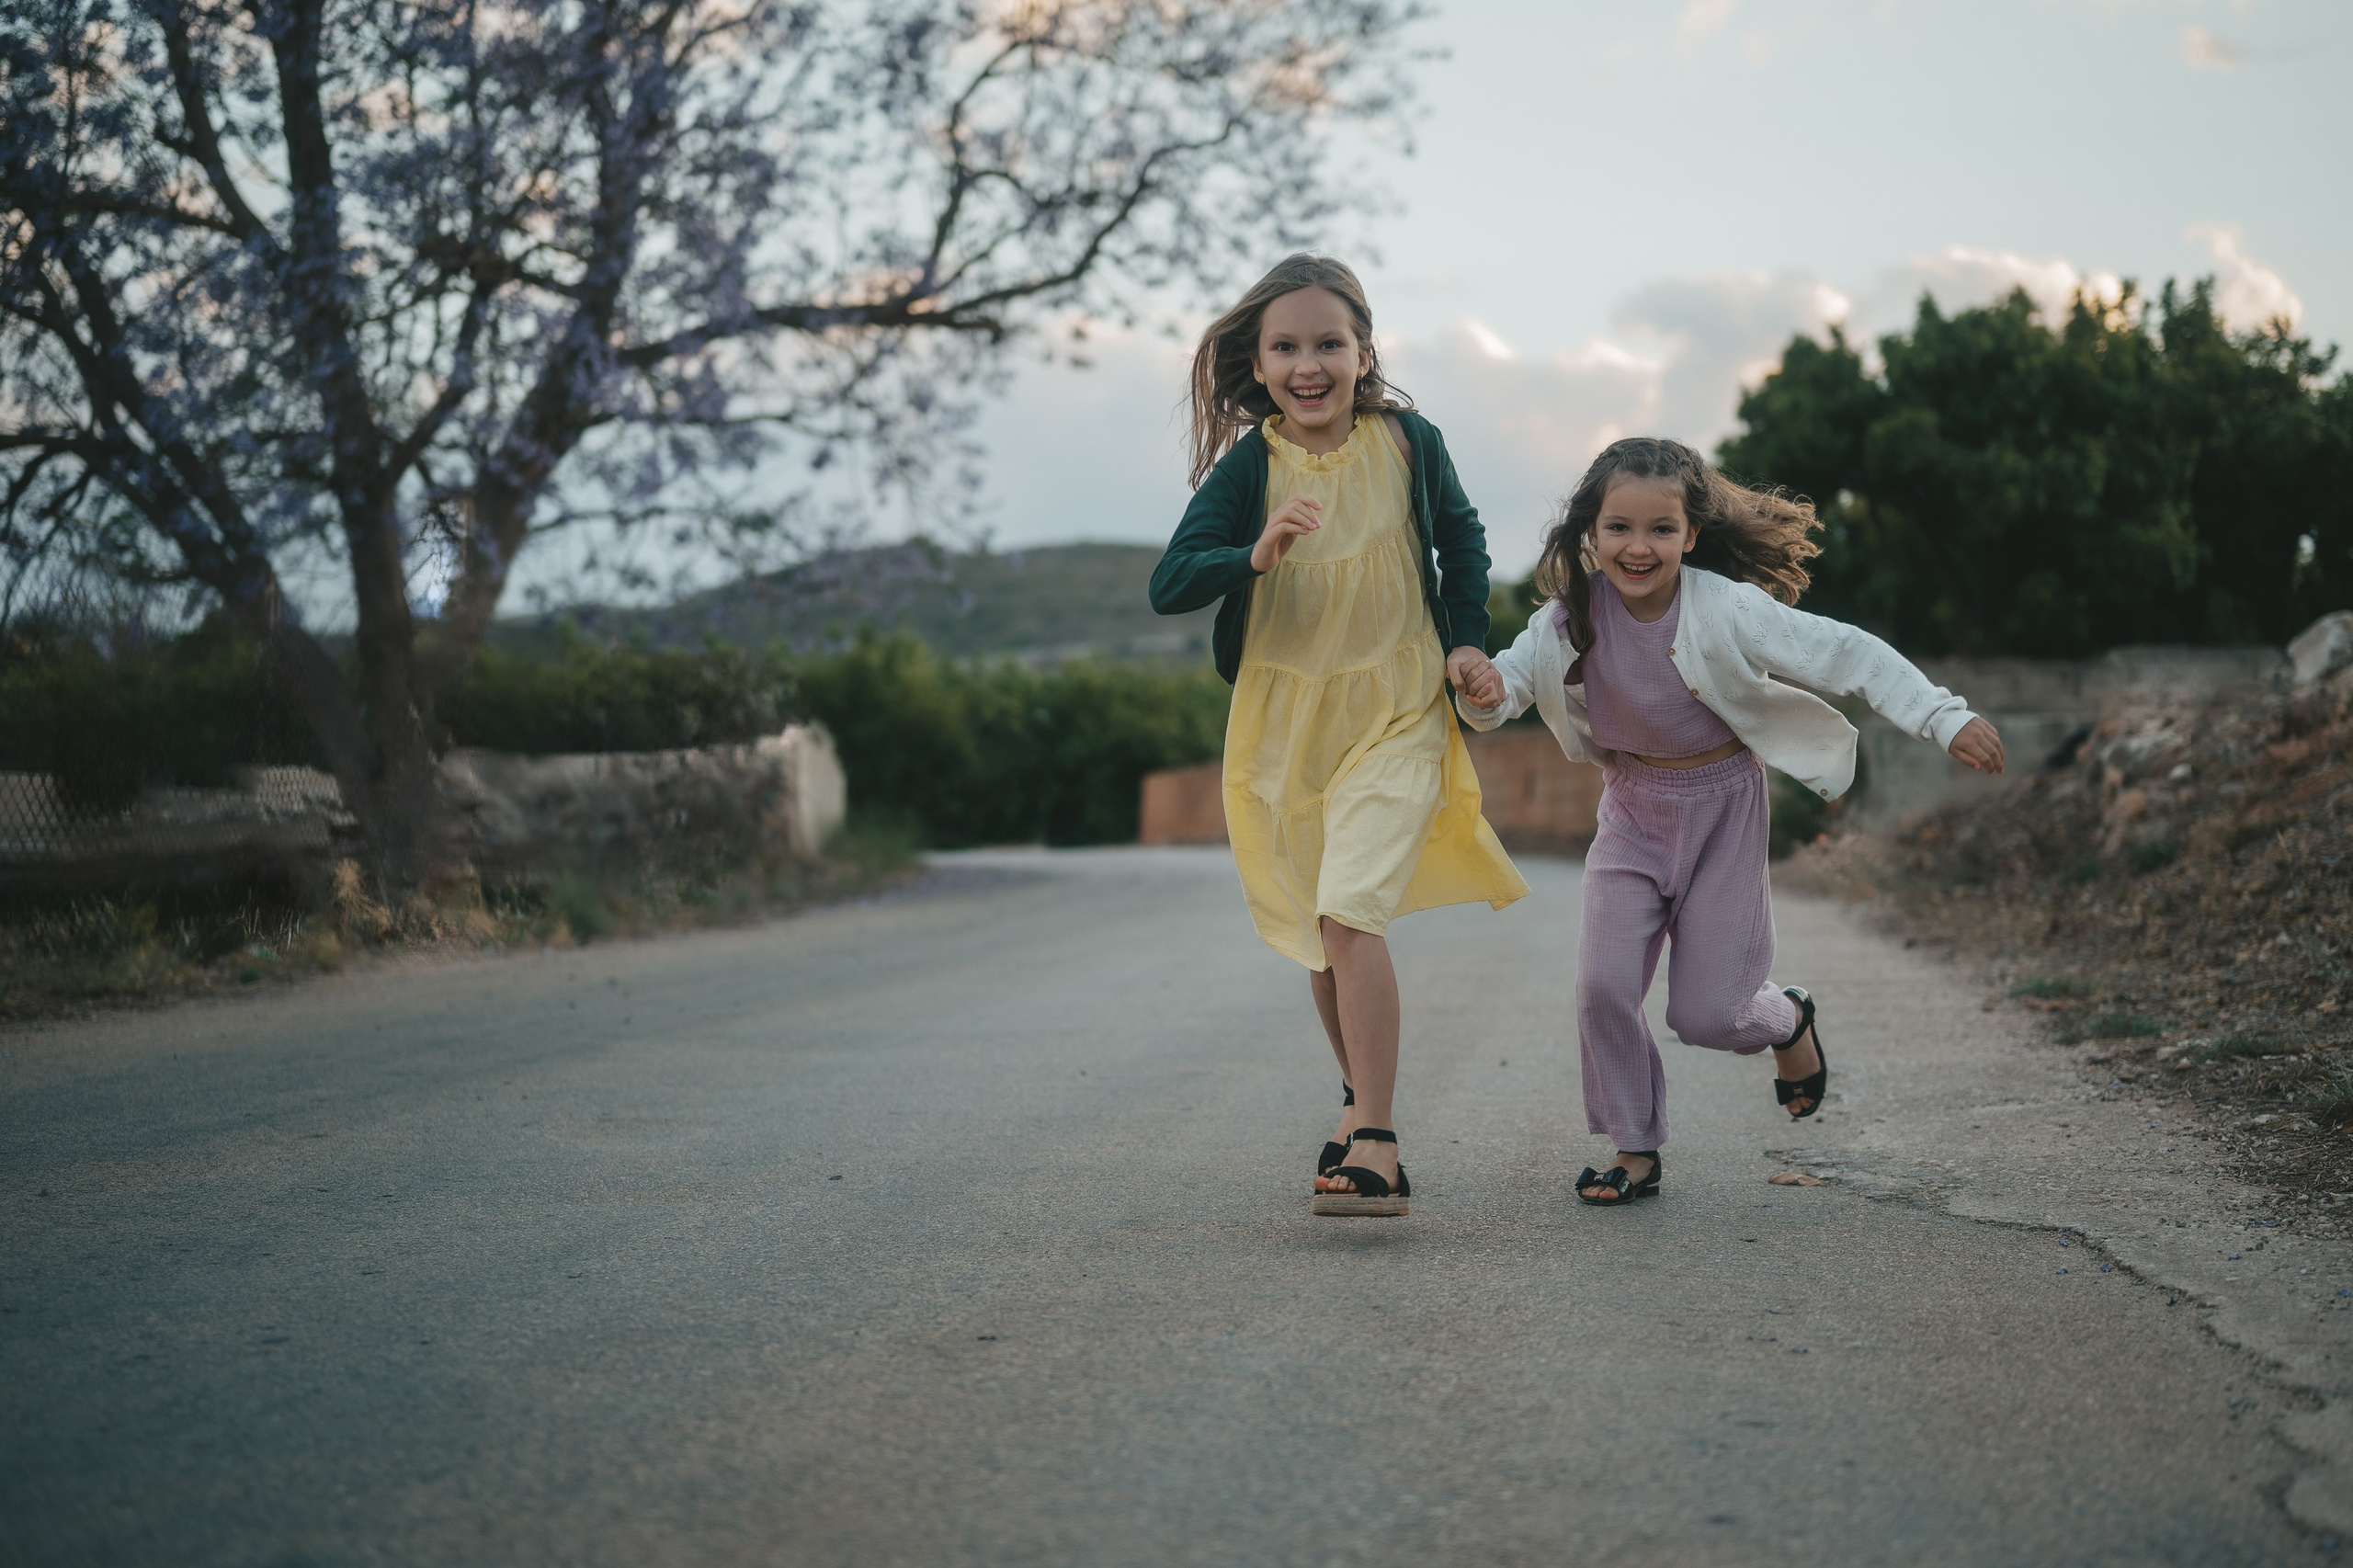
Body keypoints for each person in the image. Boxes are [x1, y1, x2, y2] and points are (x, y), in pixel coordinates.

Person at [1458, 437, 2005, 1206]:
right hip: (1630, 813)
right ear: (1590, 532)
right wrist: (1484, 689)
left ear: (1691, 535)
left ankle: (1787, 1021)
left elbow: (1846, 653)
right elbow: (1510, 684)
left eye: (1660, 530)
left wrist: (1942, 717)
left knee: (1710, 1015)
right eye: (1618, 528)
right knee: (1603, 986)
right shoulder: (1567, 617)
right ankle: (1633, 1148)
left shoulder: (1726, 609)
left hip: (1723, 809)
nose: (1637, 547)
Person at [1149, 254, 1529, 1218]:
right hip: (1287, 728)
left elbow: (1462, 538)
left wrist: (1466, 640)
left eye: (1329, 342)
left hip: (1398, 708)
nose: (1308, 363)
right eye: (1286, 346)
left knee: (1351, 909)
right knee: (1325, 933)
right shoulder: (1251, 466)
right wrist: (1253, 552)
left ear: (1364, 354)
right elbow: (1172, 581)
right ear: (1259, 362)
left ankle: (1377, 1141)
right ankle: (1359, 1102)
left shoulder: (1406, 440)